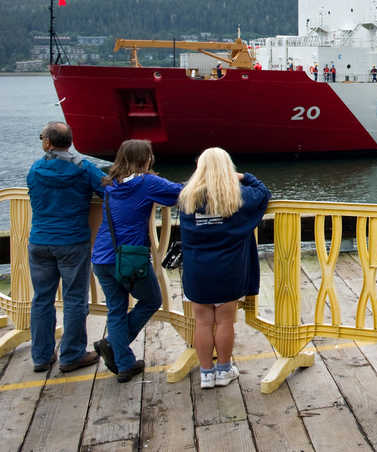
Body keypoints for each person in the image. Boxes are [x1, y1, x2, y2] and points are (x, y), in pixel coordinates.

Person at [178, 148, 270, 389]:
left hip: (197, 268)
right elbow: (263, 192)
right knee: (225, 322)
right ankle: (224, 369)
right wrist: (243, 176)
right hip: (228, 268)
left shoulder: (187, 197)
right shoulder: (238, 196)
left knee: (202, 322)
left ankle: (206, 374)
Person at [92, 139, 182, 383]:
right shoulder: (147, 183)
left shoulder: (110, 184)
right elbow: (179, 192)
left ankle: (124, 364)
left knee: (116, 309)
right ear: (147, 158)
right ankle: (114, 346)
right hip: (129, 258)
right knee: (152, 299)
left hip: (101, 256)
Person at [26, 122, 105, 373]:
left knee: (42, 299)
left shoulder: (36, 169)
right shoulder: (83, 168)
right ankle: (71, 355)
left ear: (48, 143)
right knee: (74, 299)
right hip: (72, 241)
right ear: (69, 142)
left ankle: (41, 356)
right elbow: (108, 189)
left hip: (40, 240)